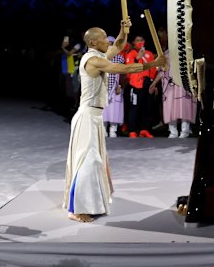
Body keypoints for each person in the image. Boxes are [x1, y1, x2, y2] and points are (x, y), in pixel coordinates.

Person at [62, 19, 166, 223]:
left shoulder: (97, 54)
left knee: (94, 162)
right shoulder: (92, 60)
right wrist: (153, 64)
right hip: (87, 117)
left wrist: (122, 30)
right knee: (88, 162)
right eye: (103, 39)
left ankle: (88, 203)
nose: (107, 42)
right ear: (93, 43)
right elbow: (124, 69)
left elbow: (118, 45)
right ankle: (76, 209)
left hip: (94, 117)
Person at [149, 50, 197, 138]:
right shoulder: (165, 54)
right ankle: (173, 132)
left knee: (184, 107)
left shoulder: (187, 51)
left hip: (184, 84)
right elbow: (161, 72)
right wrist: (154, 83)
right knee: (170, 108)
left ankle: (185, 131)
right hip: (169, 85)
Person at [102, 36, 126, 138]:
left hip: (115, 87)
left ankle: (113, 130)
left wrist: (120, 85)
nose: (109, 46)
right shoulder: (100, 57)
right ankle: (103, 130)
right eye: (108, 44)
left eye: (111, 44)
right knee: (103, 110)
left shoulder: (119, 58)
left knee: (114, 109)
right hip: (102, 87)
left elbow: (123, 73)